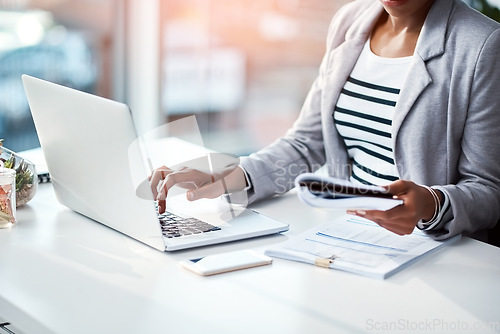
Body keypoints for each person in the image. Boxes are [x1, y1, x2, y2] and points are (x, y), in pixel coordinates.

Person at [151, 0, 500, 242]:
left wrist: (431, 203)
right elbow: (307, 143)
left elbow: (488, 191)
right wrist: (226, 176)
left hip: (428, 249)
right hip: (344, 236)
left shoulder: (481, 44)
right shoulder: (351, 21)